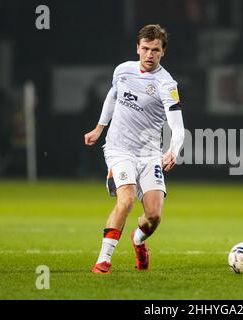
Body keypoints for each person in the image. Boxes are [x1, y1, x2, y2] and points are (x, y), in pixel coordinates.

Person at [84, 24, 185, 274]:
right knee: (126, 200)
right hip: (119, 149)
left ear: (163, 52)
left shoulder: (167, 84)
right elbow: (112, 96)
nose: (149, 54)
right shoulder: (123, 71)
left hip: (150, 153)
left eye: (155, 50)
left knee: (153, 216)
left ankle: (138, 242)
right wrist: (99, 128)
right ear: (137, 48)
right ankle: (103, 260)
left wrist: (173, 150)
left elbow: (177, 125)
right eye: (145, 48)